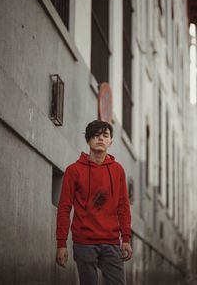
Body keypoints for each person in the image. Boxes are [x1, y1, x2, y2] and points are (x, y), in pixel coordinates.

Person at [56, 120, 132, 285]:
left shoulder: (118, 170)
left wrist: (126, 238)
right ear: (88, 140)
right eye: (96, 135)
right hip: (84, 241)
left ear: (110, 141)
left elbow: (123, 207)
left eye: (105, 135)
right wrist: (61, 243)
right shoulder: (73, 171)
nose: (100, 139)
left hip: (111, 240)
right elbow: (64, 207)